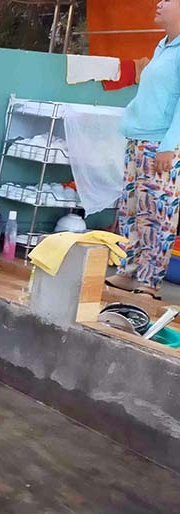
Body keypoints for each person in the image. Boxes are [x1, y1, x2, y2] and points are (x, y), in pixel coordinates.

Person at [110, 0, 180, 298]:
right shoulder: (163, 46)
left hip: (161, 144)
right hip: (138, 139)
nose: (159, 3)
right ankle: (130, 270)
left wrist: (170, 146)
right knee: (133, 209)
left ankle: (149, 281)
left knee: (157, 214)